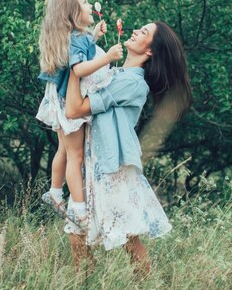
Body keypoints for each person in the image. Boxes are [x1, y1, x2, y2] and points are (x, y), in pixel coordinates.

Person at [64, 21, 192, 274]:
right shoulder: (114, 73)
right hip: (94, 164)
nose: (135, 31)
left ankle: (143, 283)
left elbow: (74, 109)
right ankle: (85, 282)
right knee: (77, 234)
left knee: (128, 238)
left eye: (144, 32)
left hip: (113, 168)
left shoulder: (132, 83)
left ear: (151, 51)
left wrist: (73, 70)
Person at [35, 0, 123, 227]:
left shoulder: (74, 37)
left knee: (64, 150)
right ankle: (79, 210)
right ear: (73, 13)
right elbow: (78, 68)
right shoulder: (76, 38)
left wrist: (94, 36)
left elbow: (81, 52)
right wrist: (108, 57)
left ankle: (54, 192)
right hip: (68, 101)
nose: (89, 5)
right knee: (75, 156)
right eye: (84, 2)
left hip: (58, 97)